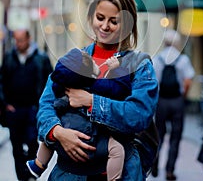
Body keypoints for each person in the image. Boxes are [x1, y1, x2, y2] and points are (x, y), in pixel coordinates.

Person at [36, 0, 159, 181]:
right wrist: (57, 132)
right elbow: (46, 103)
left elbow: (139, 114)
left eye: (114, 21)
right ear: (92, 16)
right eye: (100, 18)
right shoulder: (75, 58)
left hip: (121, 172)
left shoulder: (139, 65)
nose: (104, 26)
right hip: (70, 173)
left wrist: (92, 101)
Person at [26, 50, 131, 181]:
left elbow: (134, 114)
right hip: (91, 138)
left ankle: (38, 164)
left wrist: (56, 130)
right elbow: (120, 89)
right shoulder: (97, 84)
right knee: (117, 150)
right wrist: (118, 71)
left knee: (49, 140)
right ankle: (113, 177)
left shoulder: (64, 82)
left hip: (69, 127)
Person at [0, 29, 53, 181]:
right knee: (16, 147)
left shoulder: (41, 58)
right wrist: (5, 104)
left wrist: (44, 106)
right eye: (16, 40)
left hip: (33, 109)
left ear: (28, 38)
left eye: (21, 40)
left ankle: (30, 175)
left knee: (32, 143)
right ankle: (22, 177)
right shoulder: (10, 57)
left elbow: (50, 82)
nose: (19, 44)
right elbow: (2, 81)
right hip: (14, 110)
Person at [151, 29, 195, 181]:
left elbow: (153, 82)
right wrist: (183, 95)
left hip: (161, 101)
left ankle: (154, 165)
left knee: (159, 135)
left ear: (165, 42)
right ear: (176, 43)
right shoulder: (183, 60)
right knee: (175, 137)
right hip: (177, 101)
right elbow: (188, 80)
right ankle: (170, 170)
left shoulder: (158, 59)